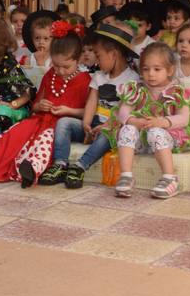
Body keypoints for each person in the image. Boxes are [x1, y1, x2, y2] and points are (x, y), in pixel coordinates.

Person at [0, 29, 90, 186]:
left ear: (78, 59)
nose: (60, 71)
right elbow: (35, 106)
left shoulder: (85, 80)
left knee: (44, 141)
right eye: (56, 65)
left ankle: (32, 170)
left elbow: (89, 113)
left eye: (66, 66)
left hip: (60, 127)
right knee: (14, 133)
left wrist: (68, 111)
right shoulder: (51, 75)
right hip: (39, 120)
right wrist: (40, 106)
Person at [41, 21, 140, 189]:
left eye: (99, 56)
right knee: (64, 122)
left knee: (106, 135)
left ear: (113, 54)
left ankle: (80, 166)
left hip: (113, 127)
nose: (97, 61)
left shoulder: (132, 79)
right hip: (94, 125)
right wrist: (86, 124)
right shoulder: (99, 76)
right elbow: (92, 102)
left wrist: (107, 126)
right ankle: (60, 164)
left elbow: (124, 110)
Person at [104, 43, 190, 199]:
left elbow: (183, 118)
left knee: (156, 132)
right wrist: (133, 121)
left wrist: (162, 122)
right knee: (127, 129)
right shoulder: (137, 89)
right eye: (146, 69)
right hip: (142, 139)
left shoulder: (176, 91)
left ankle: (170, 178)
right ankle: (126, 176)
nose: (150, 74)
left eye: (157, 69)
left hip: (167, 137)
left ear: (169, 70)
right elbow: (122, 112)